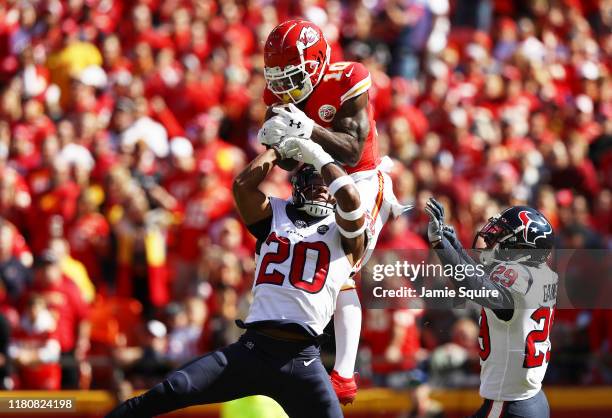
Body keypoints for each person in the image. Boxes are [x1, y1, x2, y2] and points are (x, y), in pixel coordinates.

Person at [106, 138, 368, 417]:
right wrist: (278, 149)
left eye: (325, 186)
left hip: (303, 358)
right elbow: (242, 185)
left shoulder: (345, 230)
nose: (320, 191)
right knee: (172, 389)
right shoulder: (275, 212)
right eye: (312, 184)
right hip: (255, 348)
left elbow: (351, 200)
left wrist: (316, 153)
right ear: (298, 187)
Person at [258, 19, 411, 399]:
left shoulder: (348, 78)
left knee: (344, 265)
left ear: (318, 61)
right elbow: (291, 165)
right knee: (332, 268)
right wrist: (279, 143)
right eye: (279, 79)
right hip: (316, 181)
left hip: (359, 179)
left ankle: (344, 371)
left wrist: (306, 129)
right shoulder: (280, 94)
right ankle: (337, 370)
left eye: (292, 77)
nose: (284, 89)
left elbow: (351, 149)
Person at [424, 198, 558, 418]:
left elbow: (473, 285)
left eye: (500, 237)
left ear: (520, 248)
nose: (491, 240)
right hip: (531, 399)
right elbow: (482, 280)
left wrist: (441, 244)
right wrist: (455, 247)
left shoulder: (517, 280)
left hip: (508, 404)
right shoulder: (541, 274)